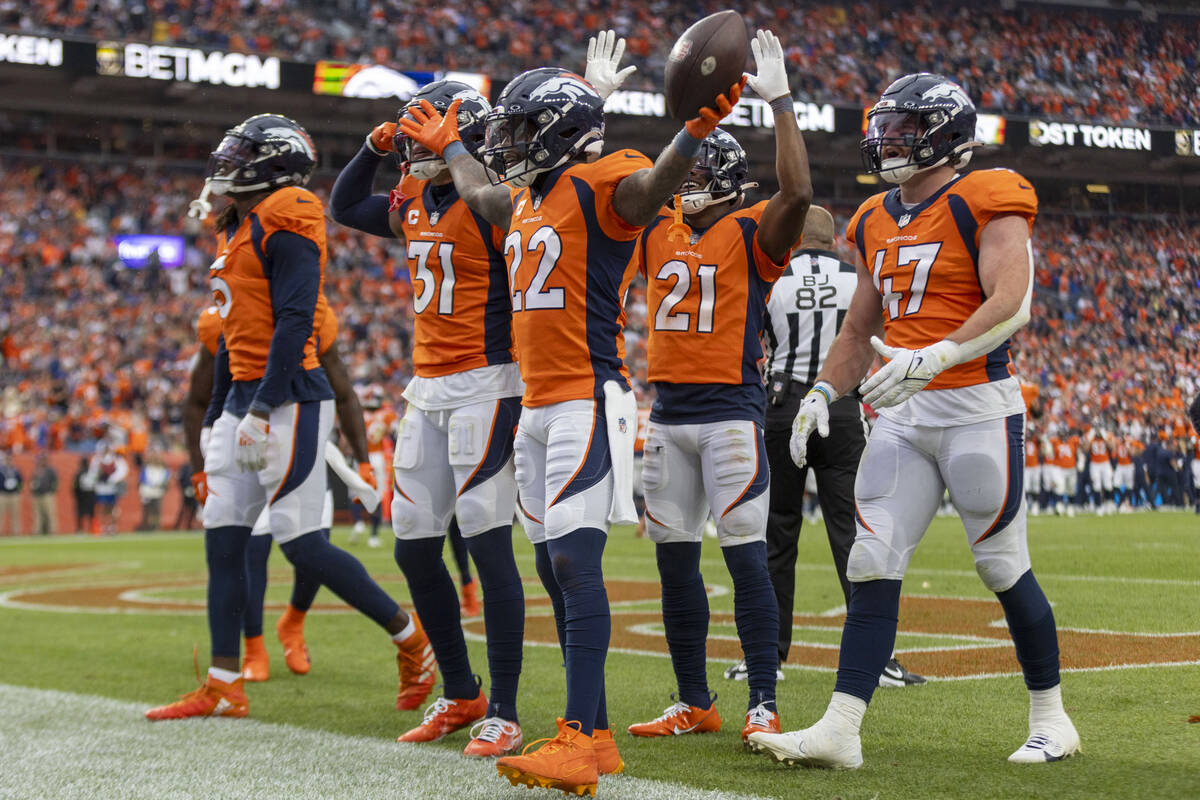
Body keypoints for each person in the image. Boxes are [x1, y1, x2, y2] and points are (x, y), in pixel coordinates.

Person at [398, 30, 746, 794]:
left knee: (571, 563)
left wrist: (691, 131)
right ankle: (594, 734)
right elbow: (484, 196)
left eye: (522, 132)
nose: (508, 146)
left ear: (556, 135)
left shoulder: (604, 184)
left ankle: (579, 737)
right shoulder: (525, 197)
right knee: (552, 569)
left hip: (590, 396)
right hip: (537, 405)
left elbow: (650, 191)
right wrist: (456, 145)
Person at [749, 73, 1080, 768]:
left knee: (1001, 565)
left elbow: (1013, 301)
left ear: (946, 134)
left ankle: (1053, 718)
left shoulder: (990, 195)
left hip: (976, 408)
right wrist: (820, 393)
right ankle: (841, 729)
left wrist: (938, 355)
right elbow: (858, 329)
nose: (885, 141)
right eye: (884, 128)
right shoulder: (873, 218)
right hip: (901, 413)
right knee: (871, 559)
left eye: (903, 129)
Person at [146, 114, 434, 721]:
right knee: (223, 543)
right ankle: (225, 683)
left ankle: (411, 638)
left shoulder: (290, 210)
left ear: (272, 163)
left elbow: (295, 321)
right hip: (242, 399)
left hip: (292, 397)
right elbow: (232, 337)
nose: (226, 161)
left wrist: (259, 406)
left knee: (301, 543)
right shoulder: (240, 226)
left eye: (241, 152)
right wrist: (220, 418)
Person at [624, 29, 811, 746]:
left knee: (744, 560)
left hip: (731, 413)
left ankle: (762, 698)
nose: (689, 182)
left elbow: (797, 191)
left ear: (730, 181)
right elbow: (619, 201)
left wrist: (782, 105)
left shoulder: (750, 232)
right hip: (668, 414)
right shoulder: (656, 229)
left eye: (704, 170)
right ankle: (695, 699)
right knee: (676, 568)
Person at [330, 79, 528, 757]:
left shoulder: (493, 199)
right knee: (413, 543)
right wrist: (369, 147)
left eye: (424, 132)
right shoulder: (414, 195)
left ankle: (502, 708)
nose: (413, 143)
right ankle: (462, 687)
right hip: (429, 384)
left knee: (486, 539)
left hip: (488, 380)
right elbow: (348, 204)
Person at [750, 204, 925, 690]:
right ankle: (879, 657)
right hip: (841, 407)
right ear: (832, 241)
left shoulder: (773, 277)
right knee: (852, 532)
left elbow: (753, 345)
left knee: (776, 536)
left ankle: (767, 658)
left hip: (785, 408)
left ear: (794, 236)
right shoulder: (856, 278)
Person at [88, 441, 128, 535]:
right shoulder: (97, 460)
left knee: (113, 508)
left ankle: (112, 527)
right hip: (101, 487)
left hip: (112, 487)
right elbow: (93, 472)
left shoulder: (116, 459)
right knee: (102, 508)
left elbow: (123, 470)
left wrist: (112, 479)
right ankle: (103, 526)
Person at [137, 452, 171, 531]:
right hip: (147, 492)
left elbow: (166, 480)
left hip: (158, 492)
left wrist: (160, 485)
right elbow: (142, 479)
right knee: (147, 510)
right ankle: (146, 526)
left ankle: (156, 527)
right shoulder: (146, 469)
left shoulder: (164, 470)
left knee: (157, 510)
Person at [30, 454, 58, 536]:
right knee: (37, 514)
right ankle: (37, 531)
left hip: (47, 494)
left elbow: (55, 482)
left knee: (50, 513)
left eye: (42, 460)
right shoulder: (36, 470)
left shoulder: (50, 470)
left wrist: (52, 491)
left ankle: (52, 531)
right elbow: (32, 482)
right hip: (37, 495)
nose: (41, 461)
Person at [0, 452, 24, 535]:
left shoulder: (16, 470)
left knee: (15, 515)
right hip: (2, 494)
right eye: (7, 459)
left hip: (13, 495)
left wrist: (18, 490)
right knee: (1, 515)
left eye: (9, 459)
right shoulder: (1, 470)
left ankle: (16, 532)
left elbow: (20, 482)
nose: (8, 461)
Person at [73, 457, 95, 533]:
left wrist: (75, 494)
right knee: (89, 513)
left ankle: (81, 529)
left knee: (81, 513)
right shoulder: (91, 472)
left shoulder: (79, 473)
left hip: (82, 495)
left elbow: (75, 485)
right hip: (90, 495)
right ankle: (90, 528)